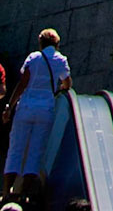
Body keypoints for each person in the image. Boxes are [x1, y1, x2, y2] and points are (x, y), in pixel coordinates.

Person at [2, 28, 71, 198]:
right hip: (45, 109)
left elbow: (23, 83)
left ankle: (6, 191)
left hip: (25, 107)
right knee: (35, 150)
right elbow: (67, 83)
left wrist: (9, 106)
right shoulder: (61, 60)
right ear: (57, 44)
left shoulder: (33, 58)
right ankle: (24, 193)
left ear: (41, 43)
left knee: (16, 149)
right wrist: (56, 89)